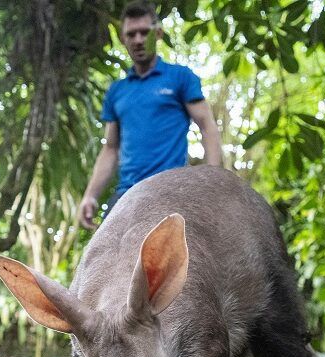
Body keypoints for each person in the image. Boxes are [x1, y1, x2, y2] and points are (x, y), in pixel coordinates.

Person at [78, 1, 222, 229]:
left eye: (144, 33)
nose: (137, 40)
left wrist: (214, 182)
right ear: (123, 39)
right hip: (126, 195)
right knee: (101, 257)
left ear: (158, 34)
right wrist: (90, 195)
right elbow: (111, 148)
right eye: (131, 34)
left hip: (172, 191)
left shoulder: (180, 77)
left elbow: (207, 126)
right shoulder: (117, 91)